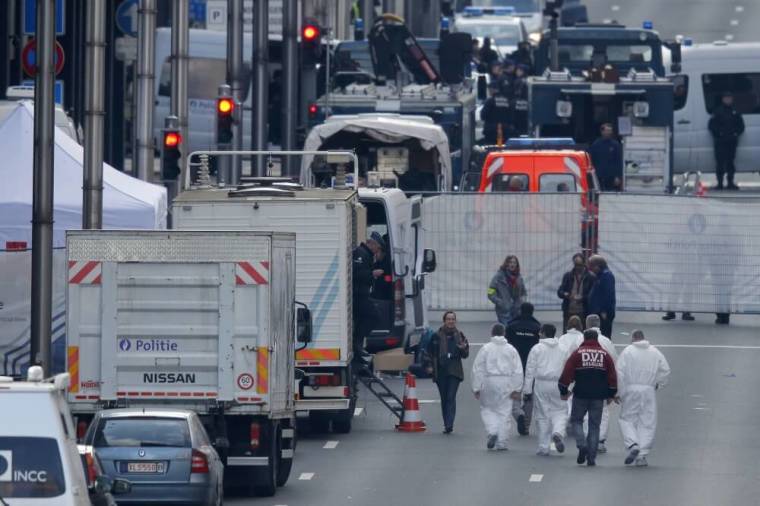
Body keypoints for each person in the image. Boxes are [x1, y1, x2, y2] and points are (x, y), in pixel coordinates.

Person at [559, 329, 618, 467]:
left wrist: (563, 390)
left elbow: (566, 373)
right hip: (598, 396)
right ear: (597, 339)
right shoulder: (605, 355)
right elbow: (612, 375)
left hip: (580, 394)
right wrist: (611, 393)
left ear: (584, 338)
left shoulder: (577, 354)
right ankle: (591, 457)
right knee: (594, 426)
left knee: (576, 420)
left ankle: (581, 444)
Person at [617, 329, 671, 467]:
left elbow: (619, 372)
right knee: (647, 422)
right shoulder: (655, 351)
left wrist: (619, 392)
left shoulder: (628, 351)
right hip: (648, 390)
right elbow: (665, 370)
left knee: (627, 419)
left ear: (633, 338)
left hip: (631, 388)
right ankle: (642, 454)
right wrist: (658, 384)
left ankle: (632, 443)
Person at [471, 323, 523, 450]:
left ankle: (492, 431)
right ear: (504, 333)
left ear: (491, 333)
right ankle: (502, 442)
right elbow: (517, 370)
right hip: (506, 381)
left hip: (489, 381)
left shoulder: (486, 348)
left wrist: (476, 387)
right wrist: (517, 388)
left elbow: (478, 369)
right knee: (504, 412)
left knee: (487, 409)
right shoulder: (511, 349)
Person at [524, 324, 568, 456]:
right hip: (558, 383)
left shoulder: (537, 348)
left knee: (542, 415)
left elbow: (530, 369)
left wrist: (527, 390)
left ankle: (543, 446)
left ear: (543, 333)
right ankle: (558, 432)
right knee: (560, 410)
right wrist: (569, 386)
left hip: (541, 383)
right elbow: (568, 368)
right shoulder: (563, 348)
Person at [429, 311, 470, 433]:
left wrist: (463, 349)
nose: (451, 321)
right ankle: (446, 422)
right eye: (448, 319)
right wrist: (429, 367)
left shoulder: (460, 335)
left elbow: (466, 354)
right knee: (444, 398)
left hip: (454, 371)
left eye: (453, 319)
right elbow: (429, 353)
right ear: (444, 321)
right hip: (441, 371)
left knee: (451, 397)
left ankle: (449, 424)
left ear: (455, 321)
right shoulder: (436, 336)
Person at [585, 313, 617, 453]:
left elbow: (569, 360)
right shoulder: (607, 342)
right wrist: (614, 388)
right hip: (602, 381)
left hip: (583, 380)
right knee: (603, 412)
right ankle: (600, 440)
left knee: (585, 411)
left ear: (587, 325)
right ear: (599, 325)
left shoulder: (580, 340)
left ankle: (588, 439)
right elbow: (615, 364)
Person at [506, 302, 541, 435]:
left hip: (514, 366)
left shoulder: (511, 326)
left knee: (514, 392)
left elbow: (506, 346)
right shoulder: (537, 327)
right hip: (530, 367)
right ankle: (526, 424)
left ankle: (518, 414)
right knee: (528, 395)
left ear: (520, 310)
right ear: (532, 312)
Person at [352, 232, 384, 360]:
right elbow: (356, 273)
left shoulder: (367, 254)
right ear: (372, 244)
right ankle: (357, 343)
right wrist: (373, 274)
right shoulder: (361, 253)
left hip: (362, 294)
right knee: (374, 316)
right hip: (359, 295)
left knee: (361, 320)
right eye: (378, 247)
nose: (378, 251)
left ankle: (358, 346)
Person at [709, 92, 745, 190]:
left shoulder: (735, 111)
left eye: (729, 98)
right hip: (720, 142)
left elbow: (741, 126)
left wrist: (736, 134)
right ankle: (720, 183)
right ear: (723, 99)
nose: (728, 100)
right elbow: (711, 126)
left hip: (731, 142)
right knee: (720, 163)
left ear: (732, 99)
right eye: (726, 98)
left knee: (730, 162)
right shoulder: (717, 111)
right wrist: (718, 134)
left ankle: (730, 183)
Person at [557, 253, 594, 332]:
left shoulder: (590, 277)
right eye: (576, 264)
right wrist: (565, 294)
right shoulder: (568, 276)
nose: (577, 267)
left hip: (583, 311)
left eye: (579, 265)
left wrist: (582, 298)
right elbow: (560, 291)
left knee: (582, 334)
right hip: (569, 310)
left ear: (584, 264)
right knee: (567, 333)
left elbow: (593, 295)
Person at [487, 255, 526, 325]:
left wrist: (522, 302)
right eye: (510, 262)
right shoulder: (499, 276)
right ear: (506, 264)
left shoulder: (519, 277)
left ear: (517, 265)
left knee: (515, 332)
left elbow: (523, 292)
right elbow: (490, 292)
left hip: (517, 310)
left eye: (514, 263)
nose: (512, 264)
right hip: (504, 311)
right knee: (506, 330)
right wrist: (500, 302)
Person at [587, 255, 616, 339]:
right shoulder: (600, 275)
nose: (590, 269)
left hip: (603, 313)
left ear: (597, 266)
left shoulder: (607, 276)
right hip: (599, 312)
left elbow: (608, 294)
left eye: (591, 266)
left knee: (604, 335)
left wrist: (604, 310)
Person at [588, 123, 623, 192]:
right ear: (602, 132)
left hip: (611, 177)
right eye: (607, 131)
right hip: (599, 176)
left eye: (610, 131)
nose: (609, 133)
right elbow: (592, 160)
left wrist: (618, 176)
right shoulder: (596, 144)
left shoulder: (615, 145)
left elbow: (619, 161)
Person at [480, 81, 512, 145]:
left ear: (492, 89)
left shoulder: (490, 101)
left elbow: (483, 115)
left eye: (489, 90)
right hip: (505, 132)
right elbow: (512, 116)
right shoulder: (507, 101)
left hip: (491, 132)